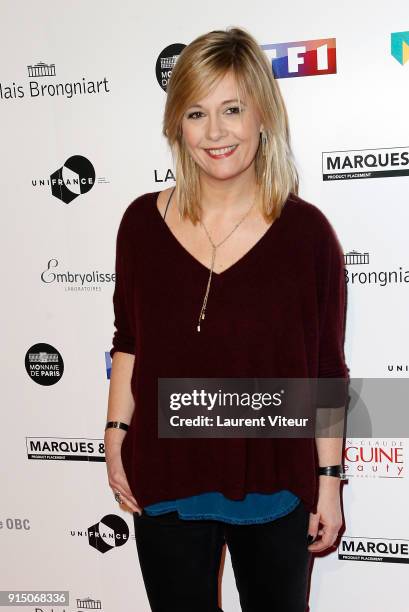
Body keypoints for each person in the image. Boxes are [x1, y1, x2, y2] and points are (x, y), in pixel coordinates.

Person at [104, 26, 349, 612]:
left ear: (262, 116)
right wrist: (116, 438)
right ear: (176, 126)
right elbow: (129, 341)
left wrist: (330, 482)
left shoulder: (308, 235)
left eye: (232, 109)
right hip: (166, 478)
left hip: (275, 485)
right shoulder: (140, 224)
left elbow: (325, 373)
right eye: (196, 112)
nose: (215, 132)